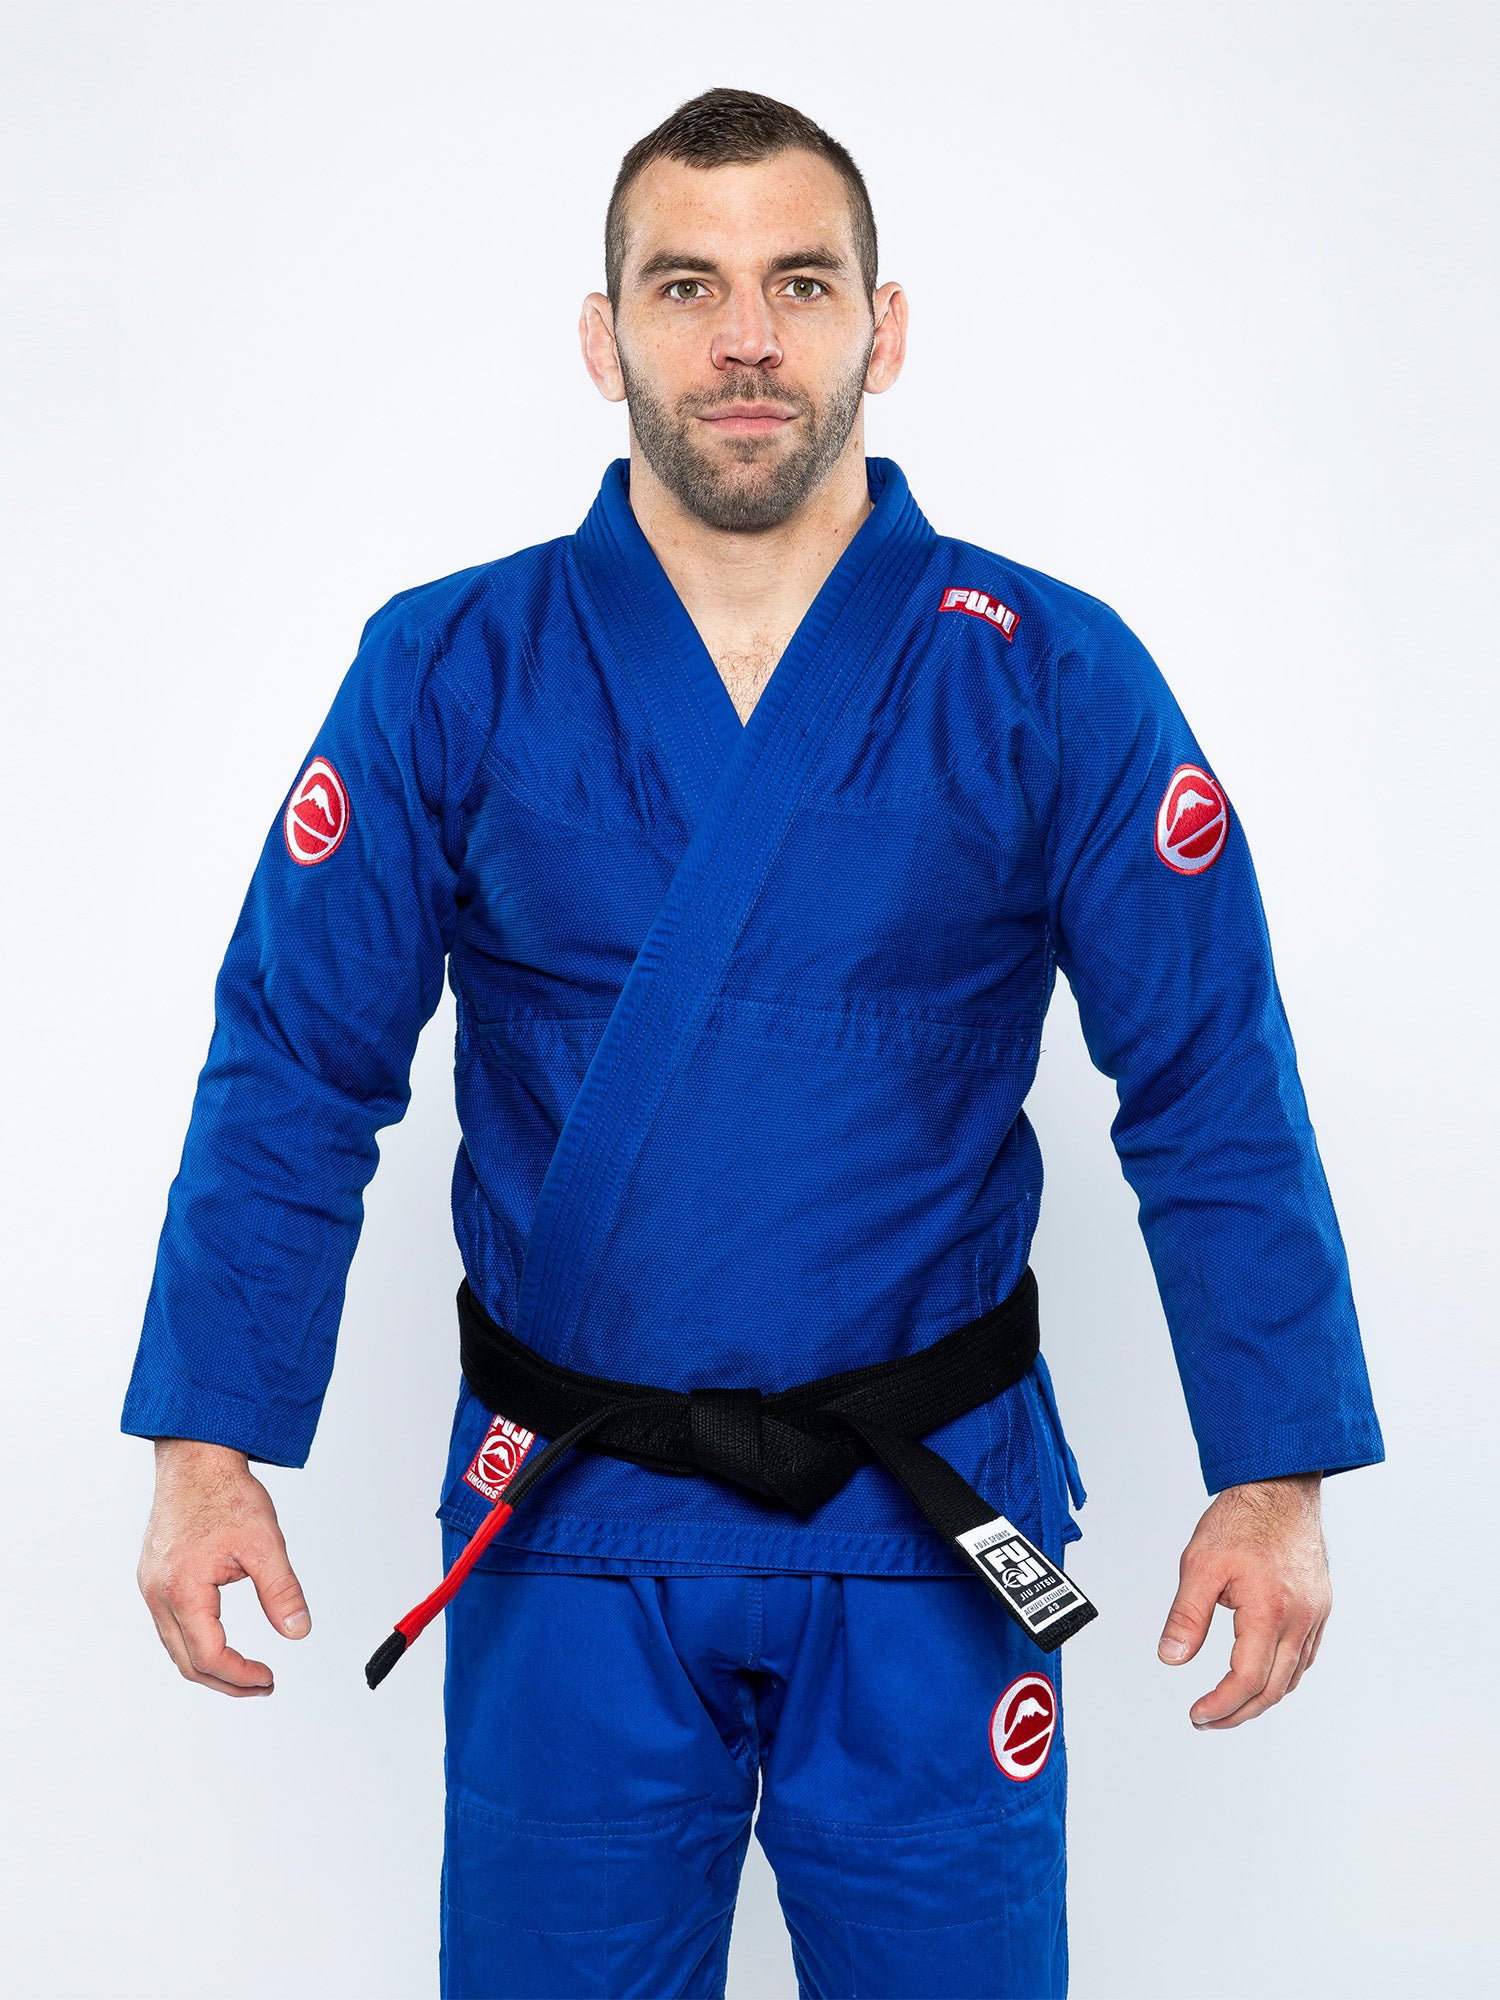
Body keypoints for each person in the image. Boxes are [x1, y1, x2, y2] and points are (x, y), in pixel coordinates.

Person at [124, 87, 1384, 2000]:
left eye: (800, 283)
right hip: (569, 1517)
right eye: (686, 284)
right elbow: (296, 1063)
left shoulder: (1048, 676)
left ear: (883, 328)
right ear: (599, 331)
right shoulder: (449, 668)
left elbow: (1209, 1072)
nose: (743, 338)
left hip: (932, 1519)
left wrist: (1274, 1469)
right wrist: (207, 1446)